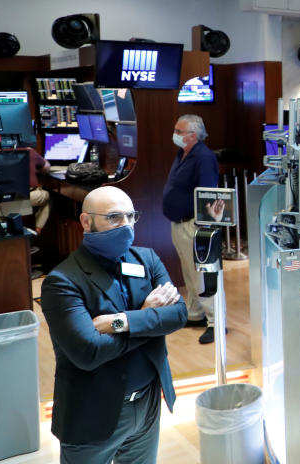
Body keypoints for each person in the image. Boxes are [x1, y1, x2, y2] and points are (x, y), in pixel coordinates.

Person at [40, 186, 187, 464]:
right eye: (114, 217)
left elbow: (178, 314)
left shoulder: (148, 259)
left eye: (131, 217)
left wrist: (122, 321)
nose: (126, 225)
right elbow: (89, 352)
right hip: (93, 413)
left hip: (147, 404)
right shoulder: (62, 281)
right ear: (86, 221)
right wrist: (149, 320)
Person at [162, 114, 220, 344]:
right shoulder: (182, 153)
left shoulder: (204, 157)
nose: (175, 134)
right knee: (189, 273)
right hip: (178, 223)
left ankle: (216, 322)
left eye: (179, 130)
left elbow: (207, 191)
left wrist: (202, 224)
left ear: (193, 135)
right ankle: (195, 314)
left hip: (193, 224)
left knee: (203, 276)